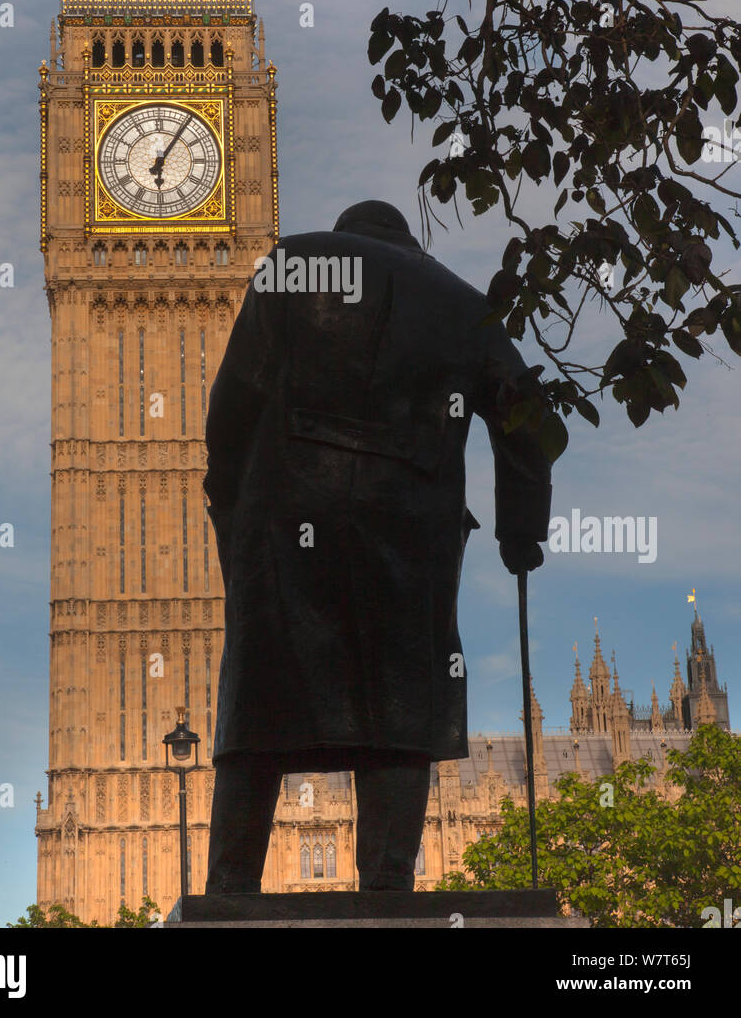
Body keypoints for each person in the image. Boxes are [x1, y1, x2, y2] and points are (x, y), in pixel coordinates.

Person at [203, 200, 552, 893]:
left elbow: (231, 409)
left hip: (288, 512)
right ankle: (389, 883)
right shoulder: (463, 304)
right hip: (410, 521)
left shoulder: (293, 263)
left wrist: (232, 508)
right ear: (409, 241)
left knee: (260, 693)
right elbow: (526, 421)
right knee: (402, 702)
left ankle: (230, 886)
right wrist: (521, 532)